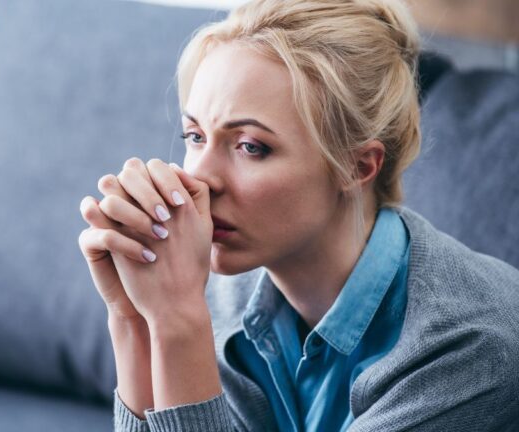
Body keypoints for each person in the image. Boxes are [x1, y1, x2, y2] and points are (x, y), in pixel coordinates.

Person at [77, 0, 519, 430]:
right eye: (194, 136)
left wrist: (178, 323)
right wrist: (132, 320)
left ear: (358, 166)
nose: (200, 180)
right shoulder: (219, 294)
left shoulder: (467, 347)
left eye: (251, 146)